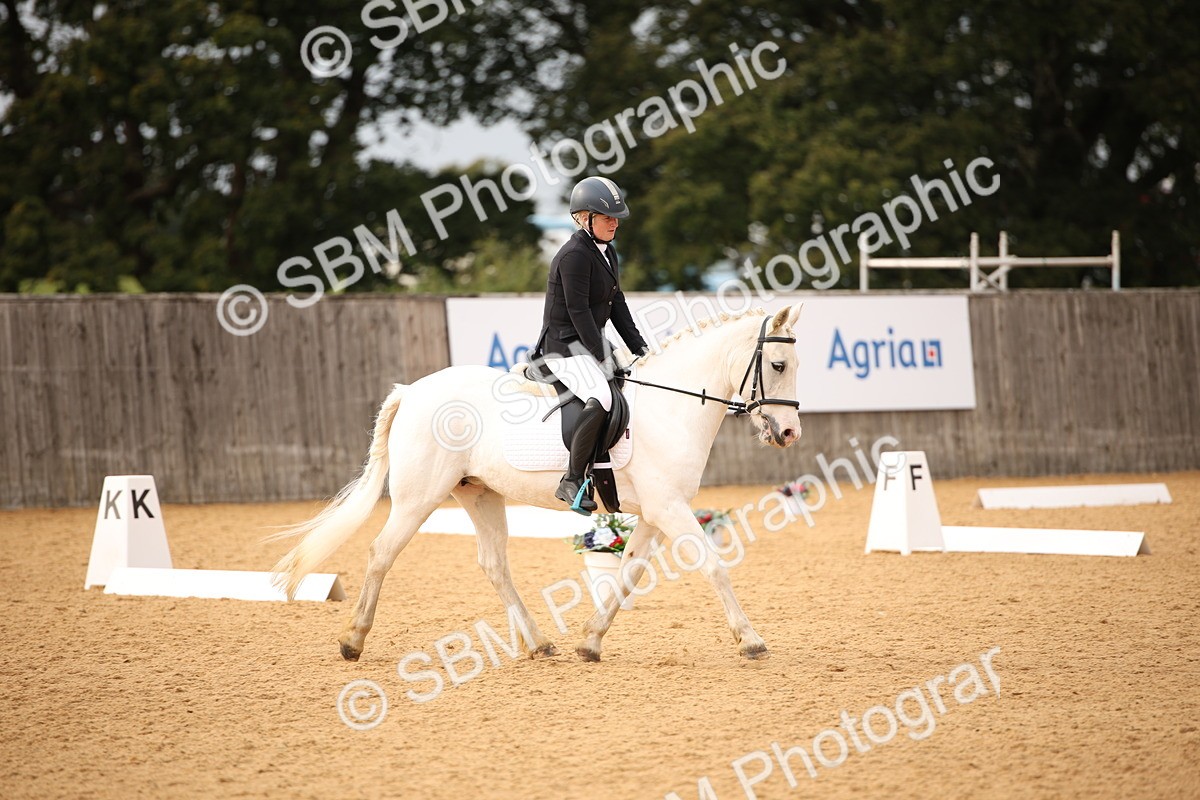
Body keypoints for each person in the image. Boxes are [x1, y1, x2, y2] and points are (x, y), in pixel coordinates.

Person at [532, 176, 649, 514]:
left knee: (626, 384)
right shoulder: (573, 256)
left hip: (588, 341)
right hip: (563, 346)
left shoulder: (608, 252)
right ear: (584, 218)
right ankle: (571, 479)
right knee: (602, 395)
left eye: (616, 218)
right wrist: (601, 357)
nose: (614, 223)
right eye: (606, 217)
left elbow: (617, 303)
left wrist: (639, 347)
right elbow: (578, 311)